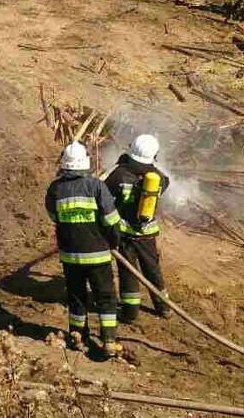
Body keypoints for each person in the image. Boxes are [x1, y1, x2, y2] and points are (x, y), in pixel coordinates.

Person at [46, 142, 123, 357]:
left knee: (76, 296)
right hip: (97, 255)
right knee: (105, 297)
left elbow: (55, 217)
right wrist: (114, 242)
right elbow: (111, 220)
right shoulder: (96, 186)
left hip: (70, 256)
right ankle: (108, 340)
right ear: (85, 162)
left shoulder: (55, 189)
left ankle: (77, 335)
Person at [104, 135, 172, 323]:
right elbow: (166, 182)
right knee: (152, 269)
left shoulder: (119, 174)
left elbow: (104, 193)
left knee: (128, 272)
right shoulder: (157, 177)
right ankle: (164, 307)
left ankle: (130, 311)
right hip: (147, 234)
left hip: (125, 234)